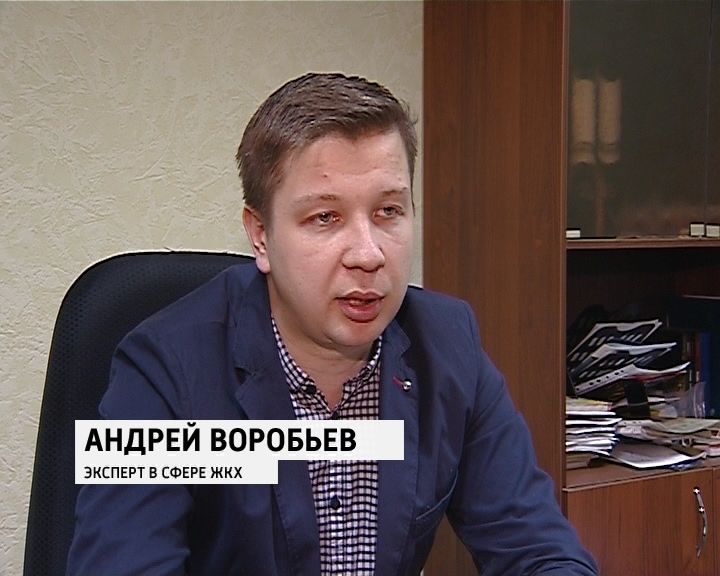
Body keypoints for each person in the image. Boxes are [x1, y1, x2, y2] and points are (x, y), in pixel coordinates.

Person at [67, 72, 598, 576]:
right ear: (260, 235)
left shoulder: (447, 344)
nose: (368, 255)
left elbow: (539, 549)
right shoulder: (162, 369)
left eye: (388, 211)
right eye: (325, 217)